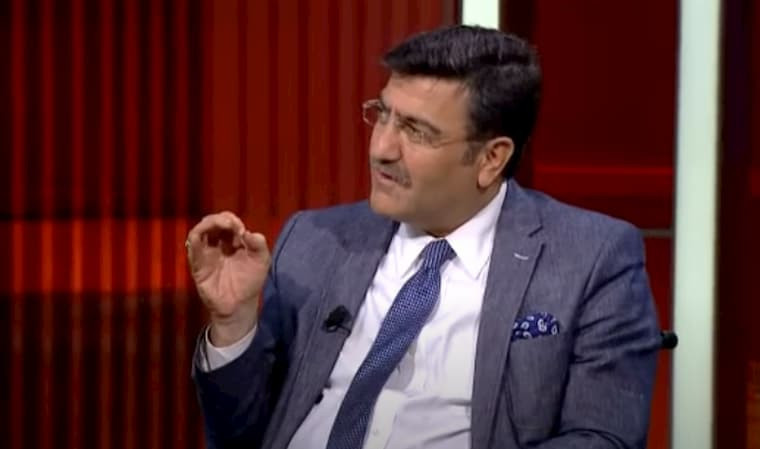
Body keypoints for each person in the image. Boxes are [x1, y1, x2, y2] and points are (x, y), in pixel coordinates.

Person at [186, 25, 661, 449]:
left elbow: (604, 437)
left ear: (491, 158)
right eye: (383, 115)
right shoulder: (314, 240)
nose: (381, 149)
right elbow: (238, 435)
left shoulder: (590, 257)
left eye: (415, 131)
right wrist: (234, 324)